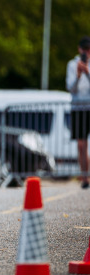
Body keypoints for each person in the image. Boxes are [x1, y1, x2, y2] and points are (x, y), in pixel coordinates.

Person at [67, 36, 90, 188]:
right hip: (78, 108)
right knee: (81, 145)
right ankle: (84, 177)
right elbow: (70, 88)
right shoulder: (72, 64)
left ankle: (86, 174)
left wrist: (87, 72)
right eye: (83, 49)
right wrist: (78, 75)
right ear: (79, 49)